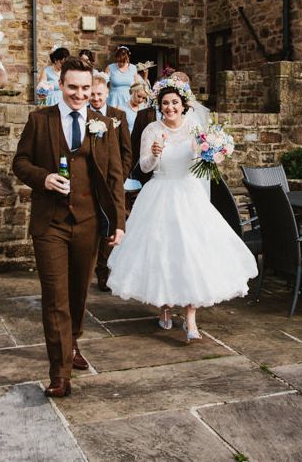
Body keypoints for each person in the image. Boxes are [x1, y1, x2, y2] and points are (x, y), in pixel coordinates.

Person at [107, 77, 257, 342]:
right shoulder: (151, 130)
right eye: (165, 103)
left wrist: (214, 151)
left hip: (189, 195)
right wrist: (155, 153)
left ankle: (190, 320)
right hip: (159, 193)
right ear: (159, 105)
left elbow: (204, 163)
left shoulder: (195, 128)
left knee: (191, 254)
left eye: (174, 102)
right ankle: (164, 308)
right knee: (162, 253)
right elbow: (144, 167)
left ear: (184, 104)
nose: (170, 107)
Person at [13, 57, 125, 398]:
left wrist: (118, 222)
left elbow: (114, 176)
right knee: (55, 298)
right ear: (60, 86)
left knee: (78, 295)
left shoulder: (104, 124)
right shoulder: (39, 120)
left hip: (89, 222)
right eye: (72, 87)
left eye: (85, 88)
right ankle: (59, 373)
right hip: (50, 223)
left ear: (93, 89)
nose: (79, 95)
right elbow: (20, 162)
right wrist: (42, 177)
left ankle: (72, 341)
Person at [89, 72, 131, 292]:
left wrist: (119, 177)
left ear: (107, 93)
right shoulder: (83, 115)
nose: (96, 99)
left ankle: (105, 272)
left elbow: (126, 151)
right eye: (92, 94)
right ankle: (92, 268)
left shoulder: (118, 116)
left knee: (111, 224)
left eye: (99, 94)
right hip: (89, 182)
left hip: (112, 180)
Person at [106, 46, 139, 110]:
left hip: (128, 99)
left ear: (128, 58)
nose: (121, 63)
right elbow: (104, 85)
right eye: (119, 61)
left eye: (123, 61)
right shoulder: (110, 67)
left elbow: (137, 86)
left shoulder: (133, 68)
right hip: (113, 100)